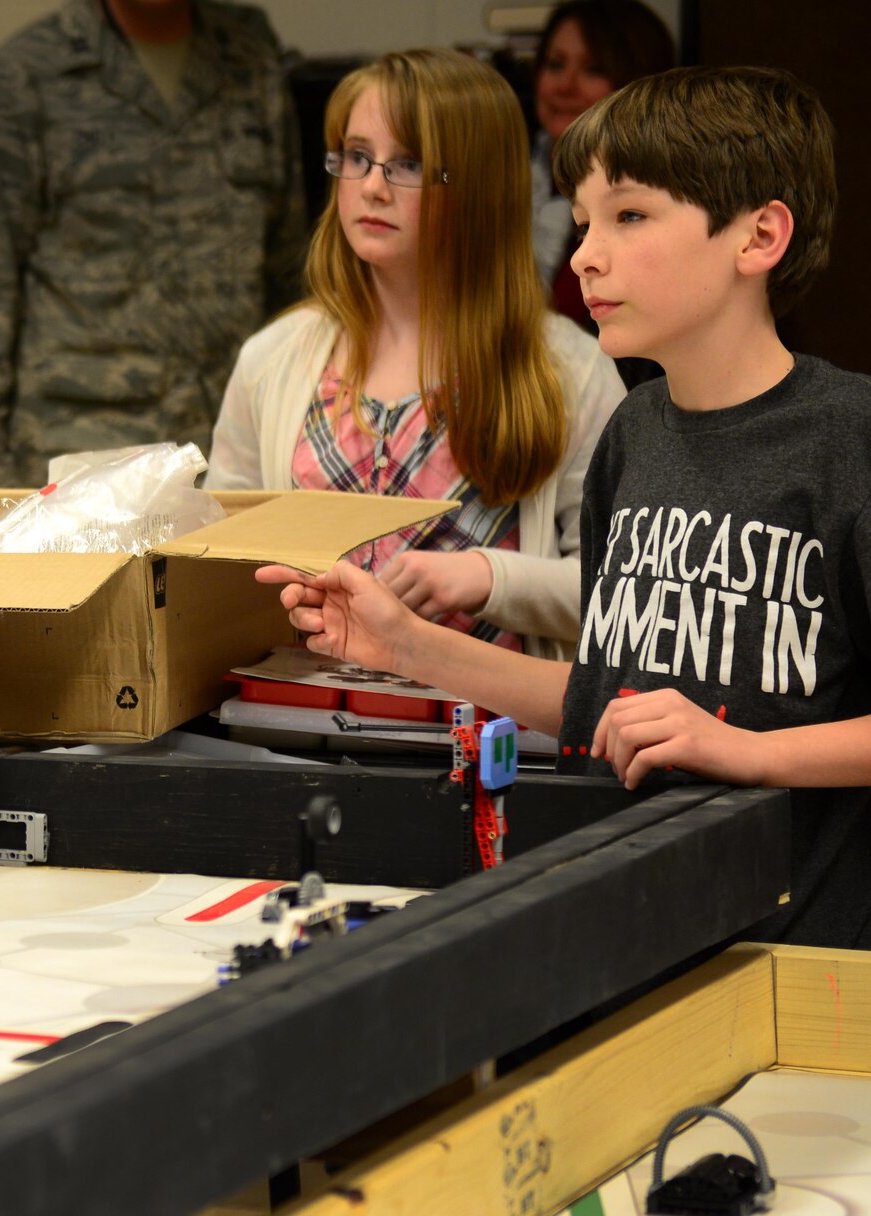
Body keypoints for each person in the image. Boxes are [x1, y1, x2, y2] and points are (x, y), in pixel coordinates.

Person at [257, 68, 870, 949]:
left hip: (806, 960)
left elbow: (725, 737)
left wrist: (752, 751)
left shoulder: (848, 438)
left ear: (759, 235)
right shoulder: (636, 434)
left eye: (628, 216)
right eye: (581, 223)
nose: (585, 255)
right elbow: (597, 701)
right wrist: (402, 643)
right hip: (640, 939)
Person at [207, 49, 625, 659]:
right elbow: (217, 564)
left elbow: (626, 597)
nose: (372, 187)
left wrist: (489, 578)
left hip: (485, 739)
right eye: (356, 157)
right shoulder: (274, 360)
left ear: (479, 187)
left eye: (408, 164)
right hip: (294, 733)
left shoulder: (569, 373)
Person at [0, 0, 306, 492]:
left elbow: (292, 280)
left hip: (227, 463)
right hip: (76, 475)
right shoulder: (31, 74)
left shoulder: (248, 60)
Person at [529, 1, 675, 327]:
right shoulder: (509, 178)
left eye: (593, 70)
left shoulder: (657, 204)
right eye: (554, 65)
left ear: (636, 84)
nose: (565, 86)